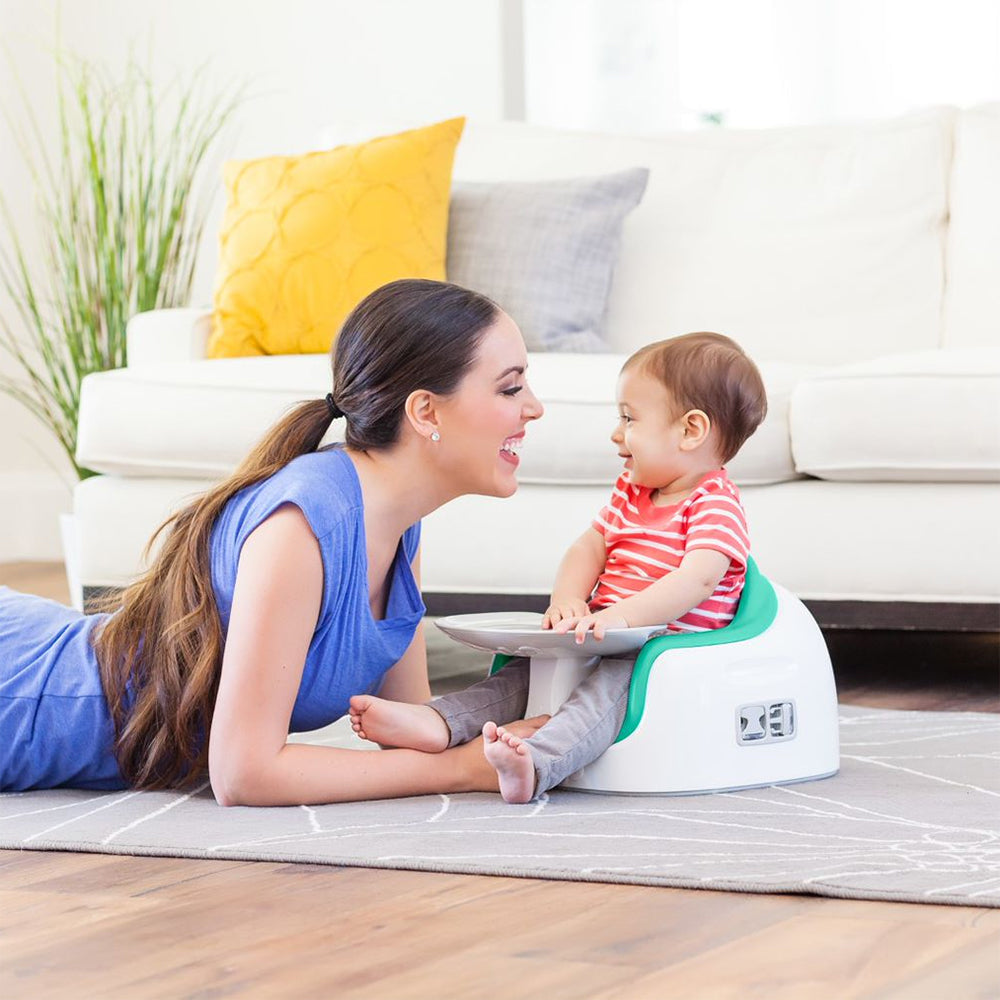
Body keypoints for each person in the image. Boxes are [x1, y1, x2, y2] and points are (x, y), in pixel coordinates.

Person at [0, 279, 547, 803]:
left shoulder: (400, 523)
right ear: (426, 411)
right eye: (510, 387)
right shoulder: (304, 525)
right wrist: (458, 771)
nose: (534, 408)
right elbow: (245, 774)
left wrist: (518, 727)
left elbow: (409, 723)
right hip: (23, 695)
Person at [349, 331, 768, 803]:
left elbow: (700, 577)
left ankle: (538, 761)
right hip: (604, 631)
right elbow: (589, 547)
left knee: (605, 693)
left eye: (629, 419)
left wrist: (624, 617)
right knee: (522, 674)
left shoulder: (713, 501)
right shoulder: (630, 494)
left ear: (691, 430)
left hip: (662, 648)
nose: (616, 434)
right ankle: (438, 722)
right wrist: (568, 599)